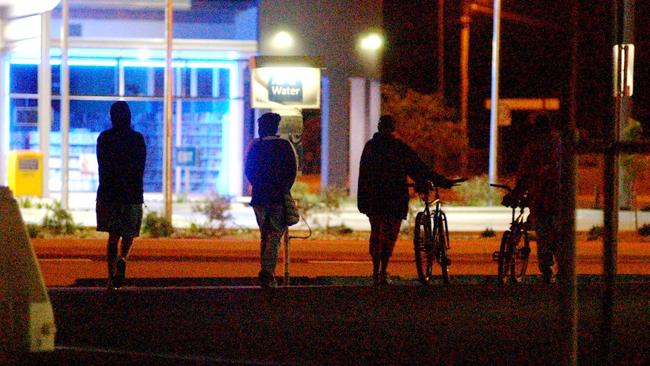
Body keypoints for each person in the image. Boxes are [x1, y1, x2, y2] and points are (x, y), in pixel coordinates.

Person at [358, 115, 455, 286]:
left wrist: (363, 201)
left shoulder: (370, 147)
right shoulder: (398, 147)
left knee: (376, 233)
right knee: (389, 234)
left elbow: (363, 175)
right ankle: (382, 272)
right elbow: (418, 168)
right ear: (392, 128)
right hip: (394, 198)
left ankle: (375, 272)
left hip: (374, 198)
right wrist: (440, 181)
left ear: (379, 128)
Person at [502, 113, 562, 284]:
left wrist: (516, 194)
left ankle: (547, 271)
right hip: (557, 200)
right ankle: (559, 271)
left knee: (544, 238)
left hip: (541, 200)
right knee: (557, 237)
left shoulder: (533, 147)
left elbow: (525, 174)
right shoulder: (559, 145)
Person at [96, 101, 146, 290]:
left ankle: (110, 277)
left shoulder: (105, 138)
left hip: (109, 193)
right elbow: (140, 167)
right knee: (129, 233)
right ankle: (122, 258)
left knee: (112, 236)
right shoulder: (137, 139)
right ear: (129, 117)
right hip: (131, 193)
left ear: (112, 117)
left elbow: (102, 165)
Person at [245, 112, 297, 288]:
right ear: (276, 128)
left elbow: (249, 170)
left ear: (261, 128)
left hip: (259, 197)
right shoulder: (284, 146)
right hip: (277, 197)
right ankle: (267, 273)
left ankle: (265, 270)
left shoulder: (255, 147)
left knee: (265, 234)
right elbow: (291, 171)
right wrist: (283, 187)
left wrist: (258, 185)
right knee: (275, 233)